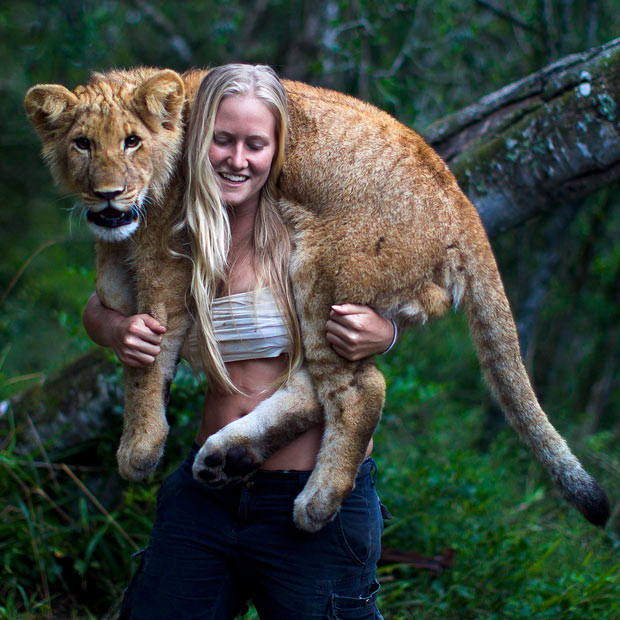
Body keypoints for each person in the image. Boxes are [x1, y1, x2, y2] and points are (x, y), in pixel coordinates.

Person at [82, 64, 396, 620]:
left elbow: (395, 305)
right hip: (209, 490)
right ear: (196, 138)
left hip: (311, 496)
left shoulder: (317, 223)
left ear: (279, 149)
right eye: (221, 140)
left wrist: (385, 332)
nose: (237, 159)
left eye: (256, 144)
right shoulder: (172, 222)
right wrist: (116, 330)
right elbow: (101, 305)